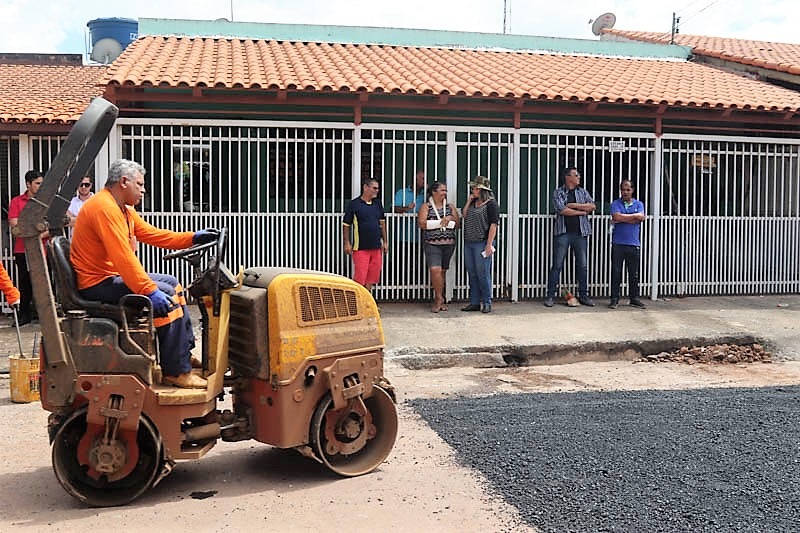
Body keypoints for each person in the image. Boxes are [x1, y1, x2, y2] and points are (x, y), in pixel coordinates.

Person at [70, 159, 218, 389]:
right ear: (123, 182)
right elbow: (123, 258)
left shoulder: (123, 209)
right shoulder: (104, 208)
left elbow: (152, 234)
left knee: (172, 283)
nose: (143, 189)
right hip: (96, 283)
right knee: (165, 294)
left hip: (108, 276)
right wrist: (148, 290)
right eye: (140, 184)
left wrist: (192, 238)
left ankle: (181, 353)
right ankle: (176, 372)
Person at [544, 166, 596, 308]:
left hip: (581, 233)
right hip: (563, 233)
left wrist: (573, 205)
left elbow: (592, 206)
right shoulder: (559, 192)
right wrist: (580, 212)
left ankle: (584, 296)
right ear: (568, 177)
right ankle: (550, 296)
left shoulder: (582, 192)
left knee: (583, 266)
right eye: (576, 175)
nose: (579, 177)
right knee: (557, 265)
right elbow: (562, 210)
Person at [8, 170, 44, 325]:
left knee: (43, 282)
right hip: (22, 249)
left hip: (42, 249)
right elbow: (15, 225)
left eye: (42, 183)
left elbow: (48, 225)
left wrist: (35, 235)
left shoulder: (44, 201)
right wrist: (34, 233)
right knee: (24, 281)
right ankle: (24, 314)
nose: (40, 186)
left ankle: (42, 314)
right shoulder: (17, 201)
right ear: (28, 184)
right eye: (37, 183)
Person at [418, 181, 459, 313]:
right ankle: (438, 299)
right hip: (432, 244)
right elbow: (422, 224)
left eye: (445, 190)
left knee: (442, 272)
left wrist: (450, 217)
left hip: (448, 243)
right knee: (435, 270)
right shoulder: (426, 206)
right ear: (434, 192)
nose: (445, 193)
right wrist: (439, 223)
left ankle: (441, 297)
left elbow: (457, 224)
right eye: (442, 190)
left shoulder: (450, 206)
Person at [461, 176, 499, 314]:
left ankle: (487, 302)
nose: (473, 190)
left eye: (475, 188)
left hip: (482, 242)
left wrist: (489, 245)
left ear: (482, 190)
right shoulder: (473, 202)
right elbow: (464, 215)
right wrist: (469, 201)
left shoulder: (491, 204)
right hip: (469, 241)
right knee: (472, 273)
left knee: (483, 273)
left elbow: (494, 225)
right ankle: (475, 302)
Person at [343, 178, 388, 292]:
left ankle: (367, 302)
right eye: (374, 188)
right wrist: (347, 242)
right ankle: (359, 303)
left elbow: (382, 223)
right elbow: (346, 224)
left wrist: (385, 241)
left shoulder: (377, 204)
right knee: (360, 277)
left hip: (376, 247)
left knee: (371, 277)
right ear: (365, 187)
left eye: (378, 188)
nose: (376, 191)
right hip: (360, 247)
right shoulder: (354, 204)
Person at [609, 179, 646, 309]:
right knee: (616, 272)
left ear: (632, 190)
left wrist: (622, 218)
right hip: (618, 243)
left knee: (634, 273)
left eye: (628, 190)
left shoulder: (639, 203)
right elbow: (616, 217)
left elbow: (641, 218)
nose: (625, 192)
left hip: (633, 243)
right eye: (623, 190)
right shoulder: (615, 203)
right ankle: (614, 299)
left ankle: (634, 298)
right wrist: (633, 217)